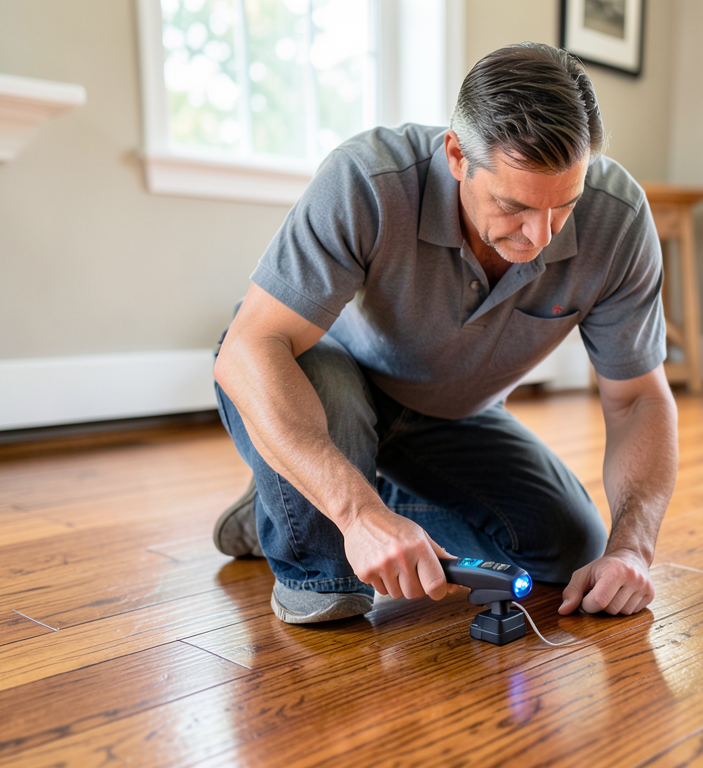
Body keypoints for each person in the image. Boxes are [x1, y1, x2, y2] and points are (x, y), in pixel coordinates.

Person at [212, 41, 679, 625]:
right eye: (513, 205)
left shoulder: (619, 220)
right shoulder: (367, 179)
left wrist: (632, 548)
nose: (539, 237)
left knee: (568, 549)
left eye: (564, 206)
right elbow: (249, 348)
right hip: (331, 377)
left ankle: (288, 488)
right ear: (457, 155)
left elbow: (637, 398)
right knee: (331, 589)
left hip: (452, 414)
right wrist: (357, 514)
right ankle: (302, 494)